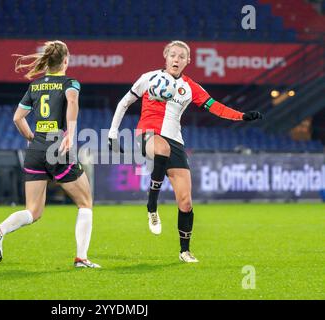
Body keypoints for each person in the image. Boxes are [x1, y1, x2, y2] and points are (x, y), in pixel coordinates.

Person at [108, 40, 262, 263]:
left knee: (186, 202)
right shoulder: (149, 78)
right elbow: (124, 103)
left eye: (181, 56)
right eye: (173, 55)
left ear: (188, 61)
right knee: (162, 148)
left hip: (175, 141)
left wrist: (242, 116)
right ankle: (152, 204)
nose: (176, 59)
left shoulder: (191, 87)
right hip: (147, 134)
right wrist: (113, 134)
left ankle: (184, 251)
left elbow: (215, 107)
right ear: (165, 57)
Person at [0, 40, 100, 268]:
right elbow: (72, 99)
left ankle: (1, 230)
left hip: (36, 149)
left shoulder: (35, 86)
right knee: (85, 203)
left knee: (33, 211)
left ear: (47, 62)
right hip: (58, 147)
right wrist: (71, 132)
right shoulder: (70, 82)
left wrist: (31, 138)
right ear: (66, 61)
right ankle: (81, 258)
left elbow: (17, 118)